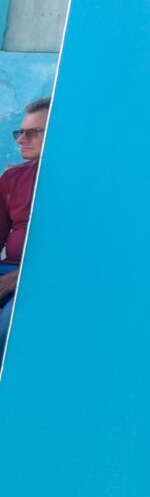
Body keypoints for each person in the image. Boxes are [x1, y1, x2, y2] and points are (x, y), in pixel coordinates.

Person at [0, 95, 47, 354]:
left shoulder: (81, 185)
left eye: (32, 133)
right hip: (9, 267)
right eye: (20, 132)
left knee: (13, 321)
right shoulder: (12, 178)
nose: (20, 139)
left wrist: (14, 280)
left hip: (42, 275)